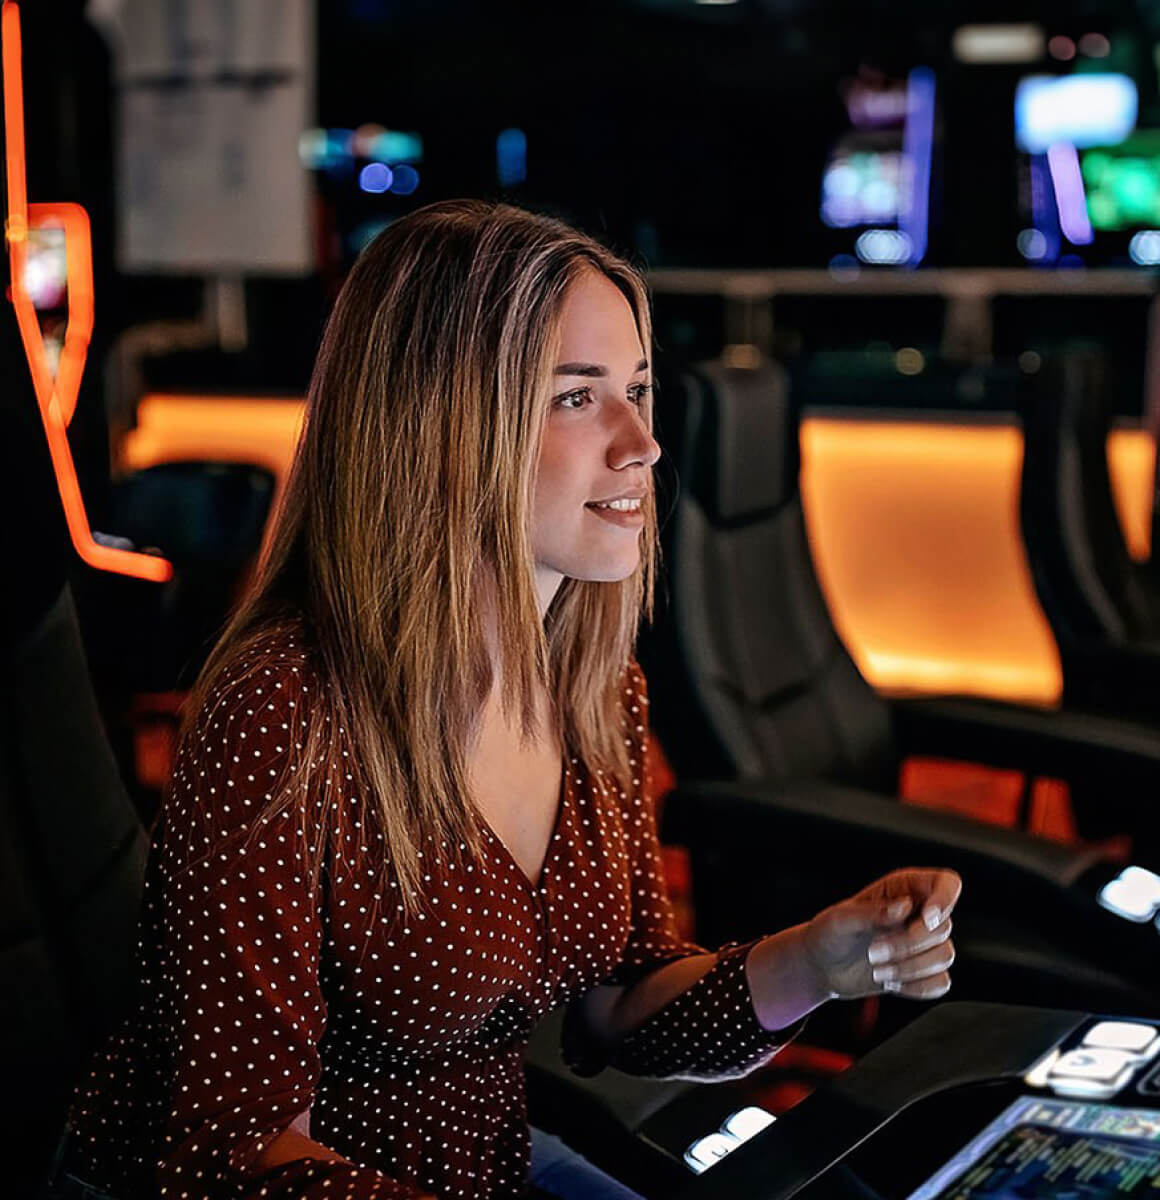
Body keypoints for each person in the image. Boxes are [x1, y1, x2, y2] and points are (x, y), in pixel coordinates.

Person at [56, 200, 961, 1200]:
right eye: (576, 398)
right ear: (440, 424)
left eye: (639, 389)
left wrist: (820, 961)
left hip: (485, 1165)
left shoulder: (595, 686)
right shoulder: (286, 712)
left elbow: (621, 1007)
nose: (643, 443)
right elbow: (223, 1159)